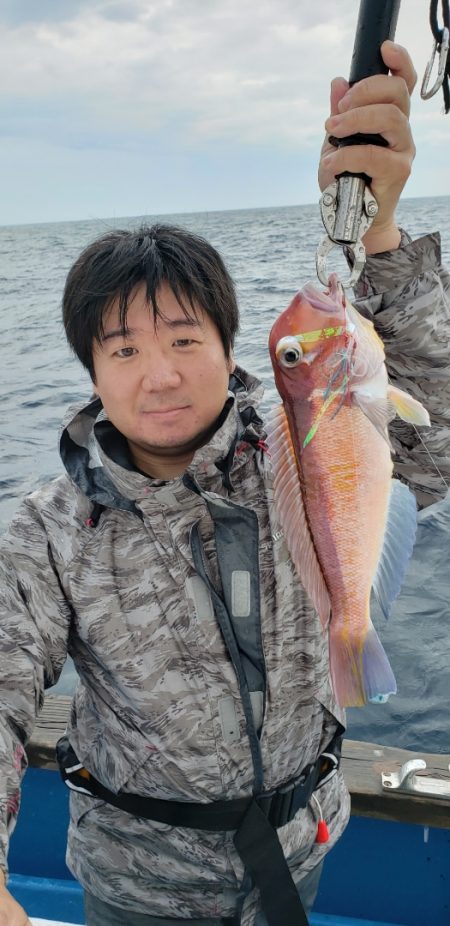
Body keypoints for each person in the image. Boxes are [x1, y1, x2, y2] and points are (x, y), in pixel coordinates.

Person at [0, 41, 449, 926]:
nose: (158, 374)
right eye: (123, 349)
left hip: (304, 849)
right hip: (138, 889)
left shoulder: (296, 441)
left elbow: (431, 448)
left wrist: (384, 231)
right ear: (92, 368)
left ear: (226, 344)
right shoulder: (48, 532)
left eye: (183, 338)